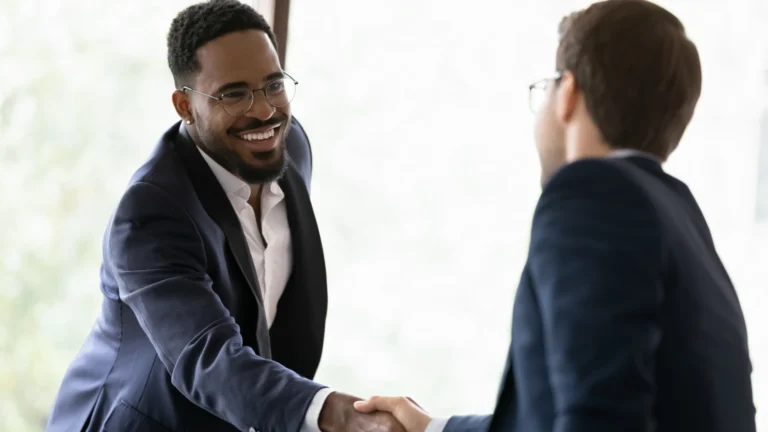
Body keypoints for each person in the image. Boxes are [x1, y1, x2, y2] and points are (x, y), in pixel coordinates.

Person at [353, 1, 757, 431]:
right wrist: (432, 427)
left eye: (545, 87)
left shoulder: (592, 195)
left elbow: (598, 419)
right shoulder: (679, 212)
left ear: (569, 94)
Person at [45, 1, 403, 431]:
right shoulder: (150, 214)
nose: (265, 111)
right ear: (184, 106)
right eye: (234, 94)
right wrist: (335, 413)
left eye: (273, 85)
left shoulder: (289, 149)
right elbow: (206, 356)